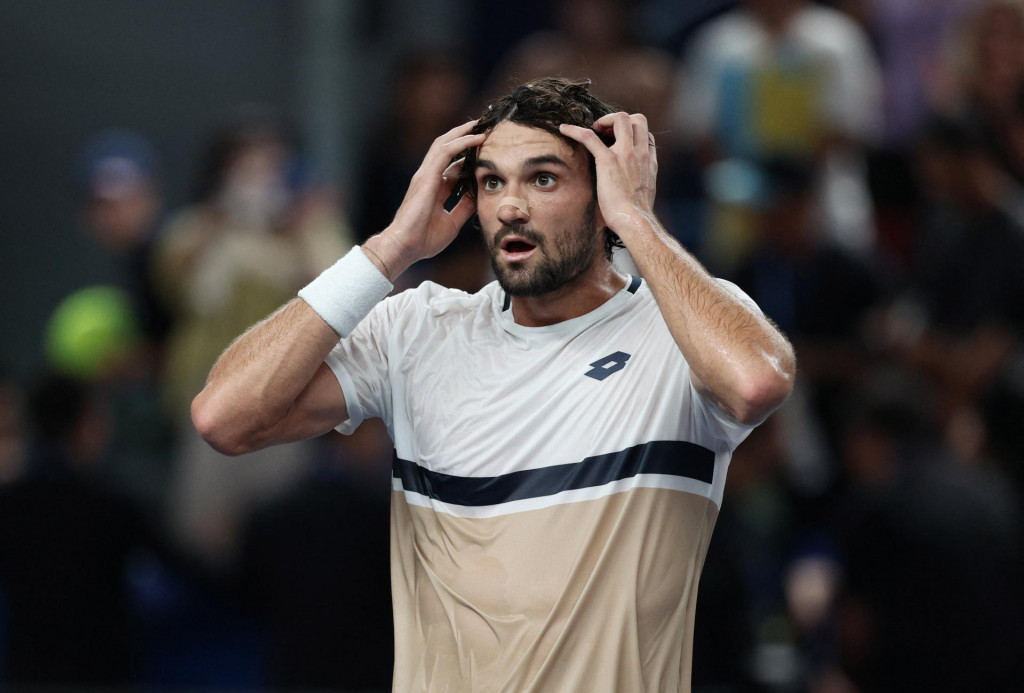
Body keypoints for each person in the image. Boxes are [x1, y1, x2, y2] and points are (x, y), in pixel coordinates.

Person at [192, 78, 795, 692]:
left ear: (604, 195)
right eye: (491, 182)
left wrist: (638, 221)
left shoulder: (678, 334)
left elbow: (755, 383)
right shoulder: (416, 329)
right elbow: (225, 418)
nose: (510, 206)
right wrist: (389, 249)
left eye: (543, 179)